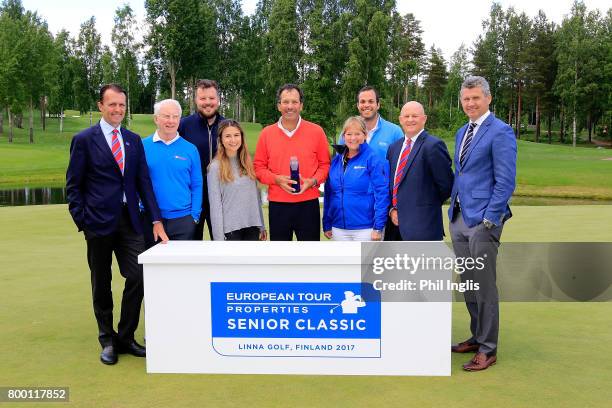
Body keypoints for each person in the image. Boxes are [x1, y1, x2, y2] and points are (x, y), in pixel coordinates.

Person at [66, 84, 169, 365]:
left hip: (130, 221)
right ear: (100, 106)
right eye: (112, 104)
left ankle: (126, 336)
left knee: (137, 275)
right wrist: (83, 220)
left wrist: (156, 219)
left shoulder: (133, 140)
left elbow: (143, 183)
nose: (117, 110)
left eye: (122, 105)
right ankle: (107, 339)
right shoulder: (84, 139)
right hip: (97, 223)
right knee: (102, 282)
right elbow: (73, 186)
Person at [448, 76, 517, 371]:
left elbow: (505, 181)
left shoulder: (500, 132)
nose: (470, 103)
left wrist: (490, 219)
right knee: (470, 283)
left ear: (488, 98)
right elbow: (462, 174)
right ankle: (477, 337)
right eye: (466, 98)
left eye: (475, 98)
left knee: (485, 286)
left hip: (483, 222)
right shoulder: (463, 130)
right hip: (460, 218)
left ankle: (488, 349)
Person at [254, 84, 330, 241]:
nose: (290, 106)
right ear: (278, 105)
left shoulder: (316, 131)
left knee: (310, 258)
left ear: (301, 105)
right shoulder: (266, 133)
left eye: (294, 102)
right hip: (278, 205)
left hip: (308, 204)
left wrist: (313, 181)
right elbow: (259, 168)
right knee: (281, 260)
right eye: (285, 102)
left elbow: (325, 166)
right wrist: (276, 179)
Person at [385, 101, 453, 241]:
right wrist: (392, 209)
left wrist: (423, 207)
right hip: (394, 227)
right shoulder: (393, 148)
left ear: (424, 119)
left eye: (415, 116)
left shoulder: (433, 146)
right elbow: (392, 185)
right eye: (406, 116)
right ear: (400, 119)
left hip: (423, 228)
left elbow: (446, 186)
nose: (410, 120)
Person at [142, 99, 203, 247]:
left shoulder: (190, 149)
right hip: (151, 219)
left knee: (181, 269)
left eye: (175, 116)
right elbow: (137, 182)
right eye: (166, 116)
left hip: (183, 220)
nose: (171, 121)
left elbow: (197, 184)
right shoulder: (142, 146)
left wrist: (194, 216)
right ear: (156, 119)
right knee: (153, 269)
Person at [323, 116, 389, 241]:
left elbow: (382, 194)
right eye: (349, 134)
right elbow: (329, 194)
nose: (353, 138)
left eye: (357, 134)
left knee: (366, 261)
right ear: (343, 136)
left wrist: (378, 227)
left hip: (366, 229)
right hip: (339, 229)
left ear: (365, 135)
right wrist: (327, 223)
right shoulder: (336, 161)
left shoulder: (373, 159)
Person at [178, 79, 225, 240]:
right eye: (202, 98)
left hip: (221, 197)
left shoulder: (228, 126)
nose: (207, 103)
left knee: (222, 246)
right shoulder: (183, 126)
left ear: (218, 99)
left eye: (211, 98)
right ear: (196, 100)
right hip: (191, 198)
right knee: (191, 246)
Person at [208, 119, 266, 241]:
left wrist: (262, 226)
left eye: (236, 135)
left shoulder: (248, 163)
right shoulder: (215, 167)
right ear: (221, 140)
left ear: (241, 137)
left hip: (252, 227)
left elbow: (255, 198)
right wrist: (218, 238)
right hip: (230, 230)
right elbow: (215, 206)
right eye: (228, 136)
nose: (233, 140)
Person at [338, 86, 404, 160]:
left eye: (371, 101)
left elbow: (402, 163)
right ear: (358, 105)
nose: (366, 105)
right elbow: (340, 163)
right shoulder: (347, 134)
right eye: (362, 102)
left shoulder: (395, 132)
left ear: (378, 105)